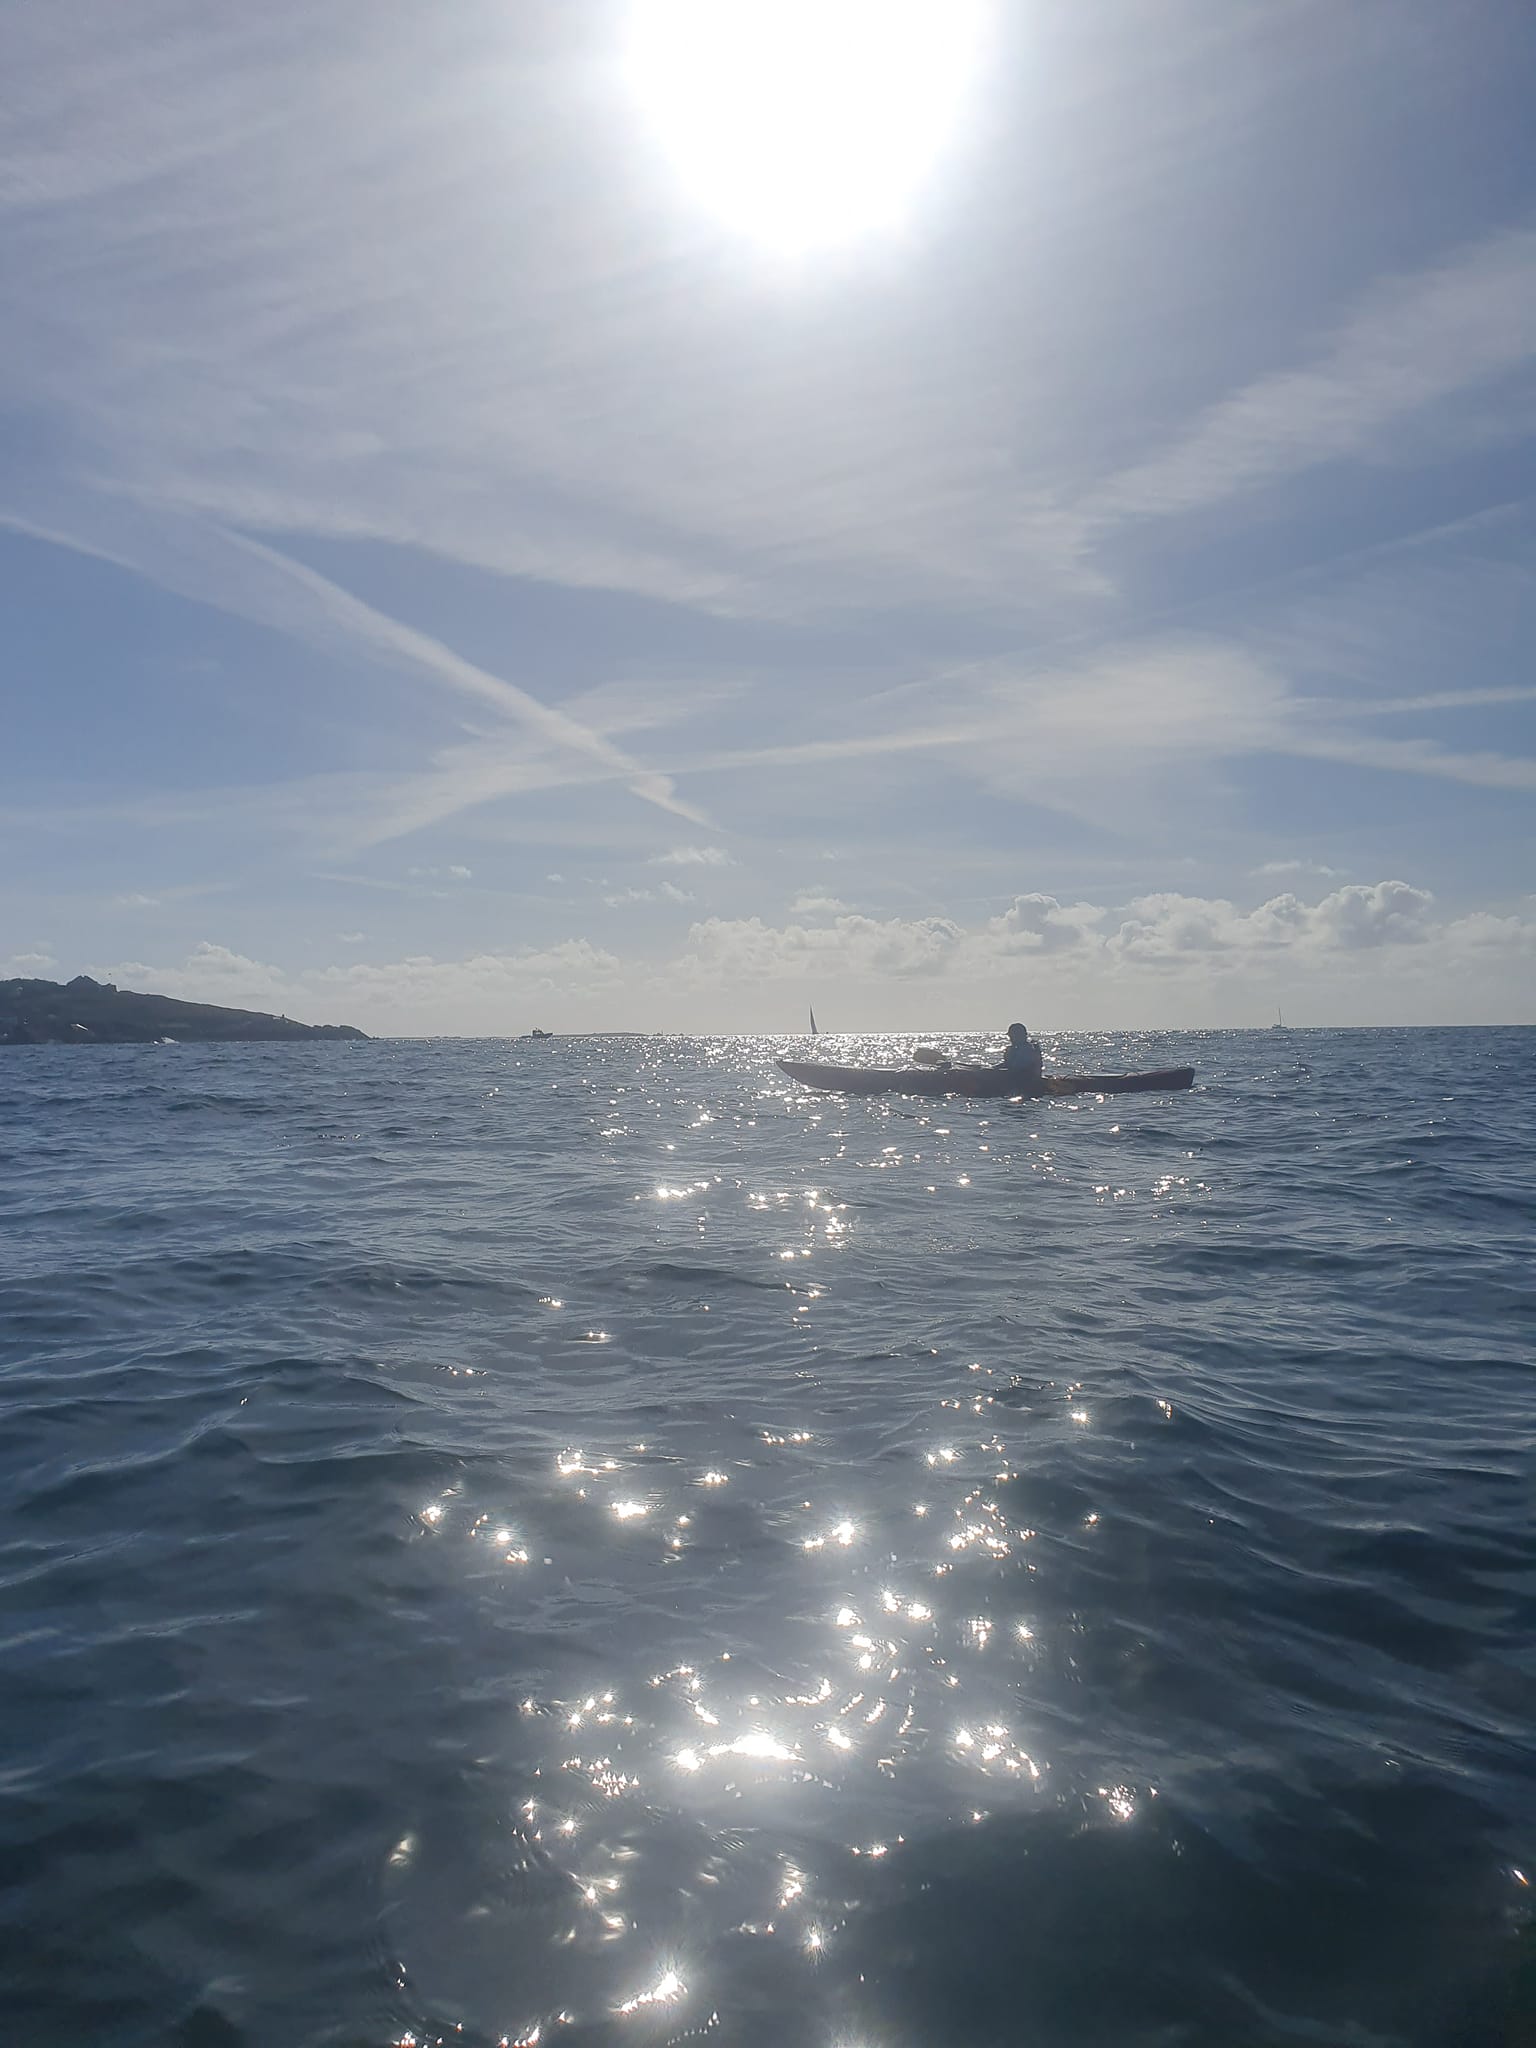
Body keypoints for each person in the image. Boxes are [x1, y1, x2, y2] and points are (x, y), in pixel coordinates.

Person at [1000, 1021, 1043, 1088]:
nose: (1010, 1039)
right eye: (1010, 1036)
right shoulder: (1015, 1049)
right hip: (1017, 1079)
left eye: (1012, 1036)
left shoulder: (1028, 1050)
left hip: (1025, 1082)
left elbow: (1017, 1069)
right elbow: (1008, 1065)